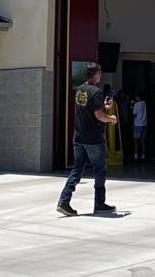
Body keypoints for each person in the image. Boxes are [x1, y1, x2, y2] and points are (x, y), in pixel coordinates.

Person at [57, 62, 118, 216]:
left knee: (77, 170)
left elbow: (91, 110)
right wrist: (111, 118)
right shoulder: (96, 91)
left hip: (78, 137)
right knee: (100, 170)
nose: (101, 75)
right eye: (100, 72)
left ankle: (64, 201)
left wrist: (104, 105)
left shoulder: (79, 90)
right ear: (96, 74)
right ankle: (99, 204)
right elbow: (98, 115)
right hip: (94, 139)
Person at [131, 92, 147, 162]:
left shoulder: (136, 104)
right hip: (144, 123)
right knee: (142, 140)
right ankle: (143, 155)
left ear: (137, 97)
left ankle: (136, 156)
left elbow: (134, 114)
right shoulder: (144, 103)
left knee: (136, 141)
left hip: (137, 124)